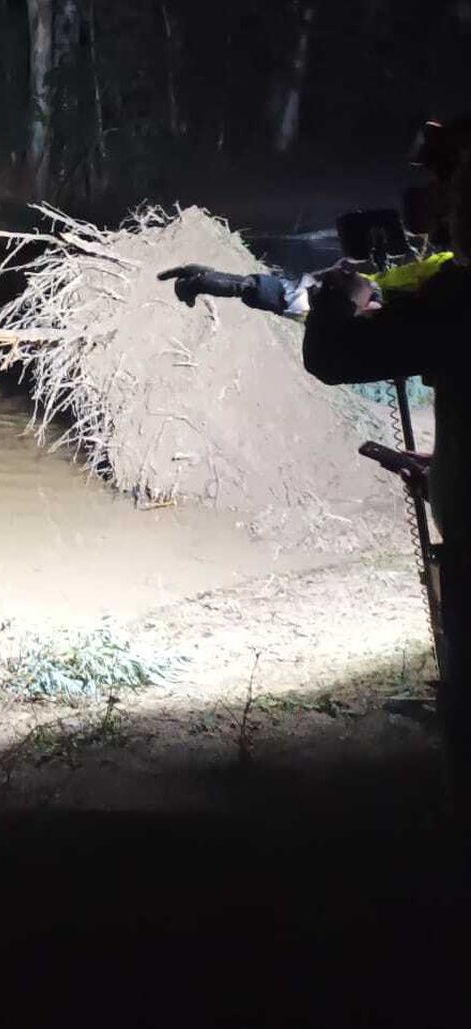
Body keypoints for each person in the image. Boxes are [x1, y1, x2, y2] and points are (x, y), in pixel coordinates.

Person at [160, 118, 471, 800]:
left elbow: (338, 345)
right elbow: (357, 302)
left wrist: (345, 299)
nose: (440, 208)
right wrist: (236, 285)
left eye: (450, 187)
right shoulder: (448, 279)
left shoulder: (459, 293)